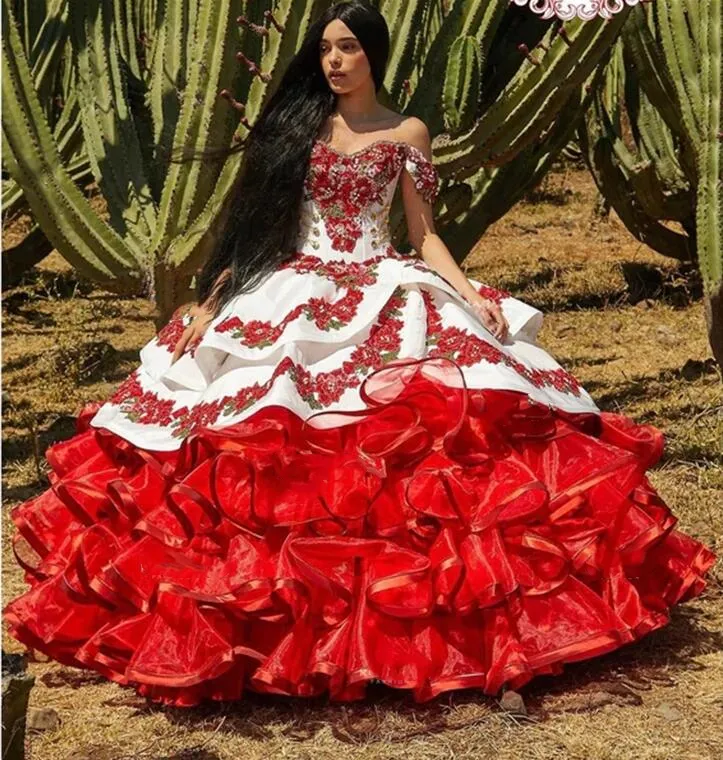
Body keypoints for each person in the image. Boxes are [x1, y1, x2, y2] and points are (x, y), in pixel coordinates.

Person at [3, 1, 716, 708]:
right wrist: (211, 303)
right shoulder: (295, 127)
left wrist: (469, 297)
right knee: (265, 425)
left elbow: (423, 233)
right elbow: (255, 228)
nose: (334, 62)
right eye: (324, 50)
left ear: (374, 53)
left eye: (347, 48)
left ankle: (414, 635)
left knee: (439, 433)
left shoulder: (407, 131)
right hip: (291, 287)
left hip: (384, 278)